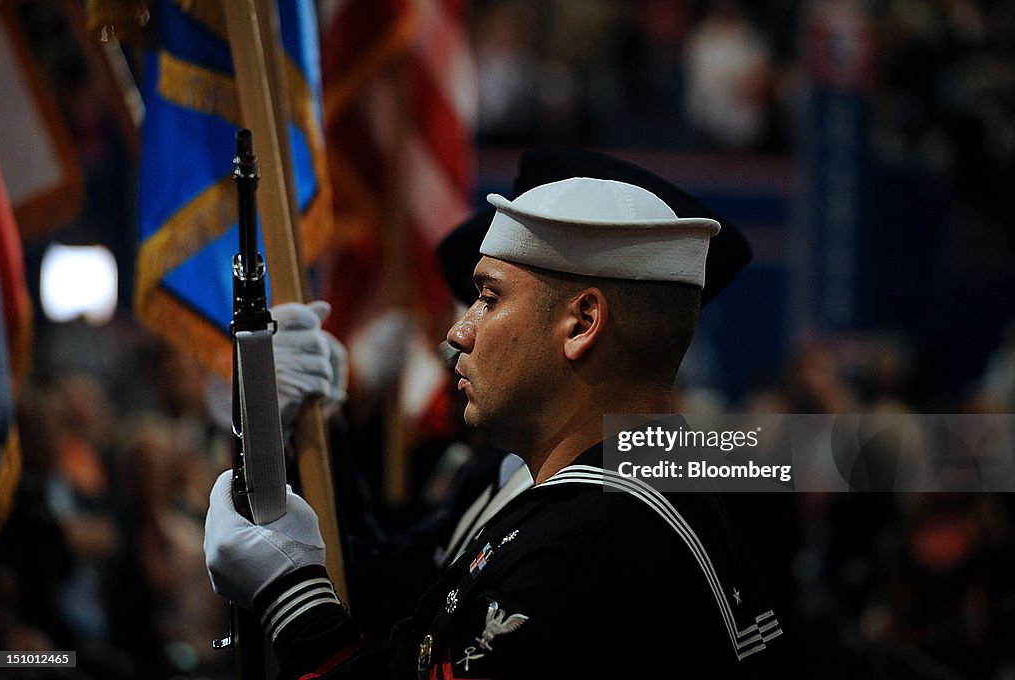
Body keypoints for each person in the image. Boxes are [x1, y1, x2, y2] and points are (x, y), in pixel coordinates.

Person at [205, 174, 787, 678]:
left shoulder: (592, 538)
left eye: (487, 297)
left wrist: (289, 594)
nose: (458, 332)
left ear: (582, 323)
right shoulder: (628, 491)